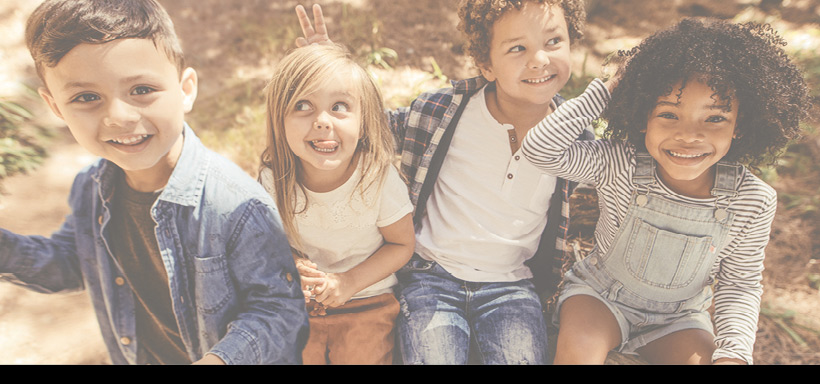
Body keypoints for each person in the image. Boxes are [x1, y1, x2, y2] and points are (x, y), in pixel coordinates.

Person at [0, 0, 309, 365]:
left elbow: (279, 310)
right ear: (56, 107)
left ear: (185, 89)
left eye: (142, 90)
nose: (119, 116)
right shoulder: (91, 188)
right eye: (86, 98)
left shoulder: (235, 203)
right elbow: (73, 262)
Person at [295, 0, 592, 365]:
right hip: (432, 278)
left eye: (553, 42)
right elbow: (371, 127)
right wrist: (331, 78)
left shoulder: (576, 137)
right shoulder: (445, 112)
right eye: (518, 48)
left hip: (511, 286)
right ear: (486, 64)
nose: (540, 60)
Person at [522, 18, 812, 364]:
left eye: (715, 118)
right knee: (578, 354)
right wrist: (607, 90)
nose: (689, 135)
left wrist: (733, 353)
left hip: (679, 319)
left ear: (740, 125)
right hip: (599, 298)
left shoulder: (753, 199)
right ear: (643, 116)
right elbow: (540, 151)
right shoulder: (621, 164)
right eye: (669, 115)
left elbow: (740, 284)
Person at [258, 44, 415, 365]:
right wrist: (294, 264)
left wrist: (349, 283)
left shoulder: (376, 177)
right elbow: (270, 244)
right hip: (302, 304)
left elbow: (402, 244)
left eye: (339, 106)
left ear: (364, 121)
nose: (321, 121)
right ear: (279, 120)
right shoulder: (275, 178)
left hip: (368, 301)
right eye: (302, 105)